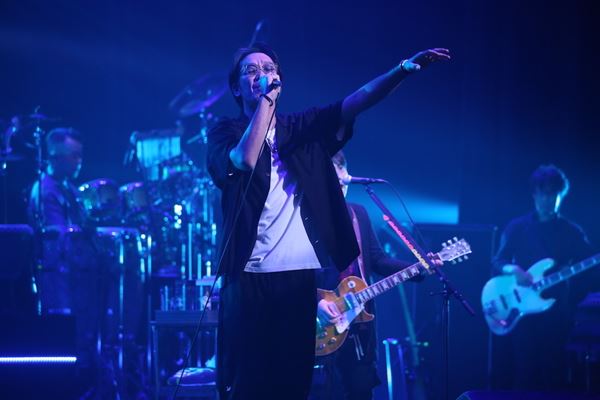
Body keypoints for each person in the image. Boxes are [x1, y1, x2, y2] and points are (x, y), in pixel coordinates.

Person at [207, 42, 450, 400]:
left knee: (292, 384)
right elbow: (244, 159)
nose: (262, 74)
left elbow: (356, 101)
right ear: (236, 88)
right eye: (251, 71)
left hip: (297, 277)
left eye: (269, 68)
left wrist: (401, 71)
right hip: (247, 276)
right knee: (248, 383)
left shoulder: (301, 129)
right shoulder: (224, 132)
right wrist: (266, 102)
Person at [311, 150, 441, 400]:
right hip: (320, 320)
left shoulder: (358, 214)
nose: (340, 188)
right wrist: (316, 301)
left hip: (360, 324)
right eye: (334, 182)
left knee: (361, 390)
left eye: (343, 181)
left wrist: (419, 267)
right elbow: (296, 272)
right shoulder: (306, 216)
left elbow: (378, 260)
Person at [491, 164, 598, 392]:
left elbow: (590, 265)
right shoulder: (518, 227)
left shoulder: (571, 231)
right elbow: (498, 260)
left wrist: (573, 296)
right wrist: (514, 270)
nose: (549, 199)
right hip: (522, 311)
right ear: (534, 194)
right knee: (525, 371)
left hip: (557, 312)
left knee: (554, 373)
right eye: (544, 193)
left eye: (554, 194)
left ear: (561, 196)